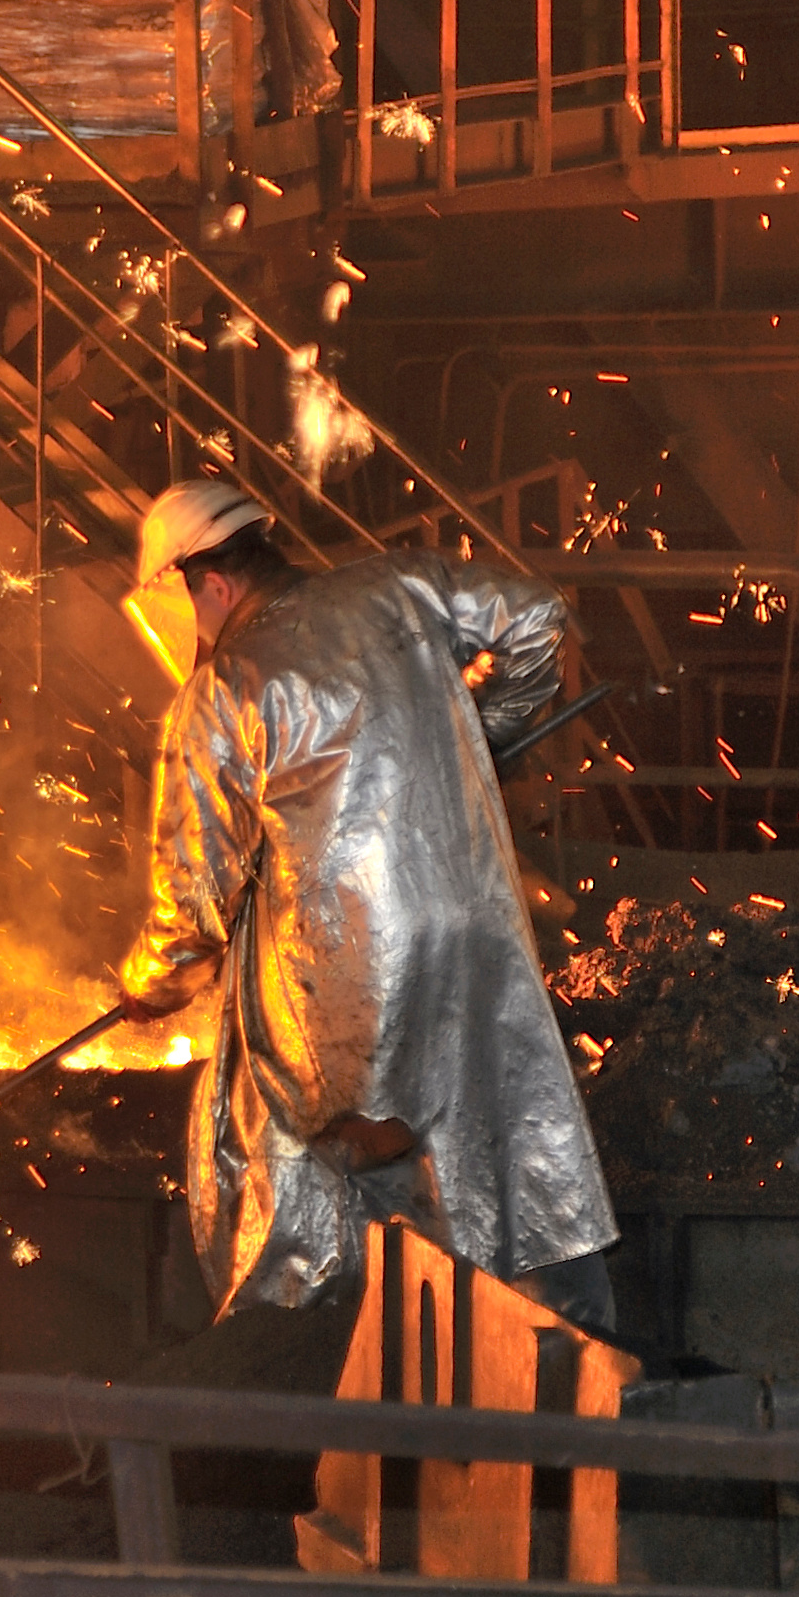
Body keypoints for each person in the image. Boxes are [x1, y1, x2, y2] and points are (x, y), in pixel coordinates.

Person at [114, 477, 619, 1332]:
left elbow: (193, 900)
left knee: (292, 1141)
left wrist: (149, 985)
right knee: (497, 1113)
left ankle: (310, 1336)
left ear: (208, 583)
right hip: (474, 933)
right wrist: (480, 732)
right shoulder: (398, 585)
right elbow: (537, 615)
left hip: (341, 977)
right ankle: (556, 1346)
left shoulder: (225, 687)